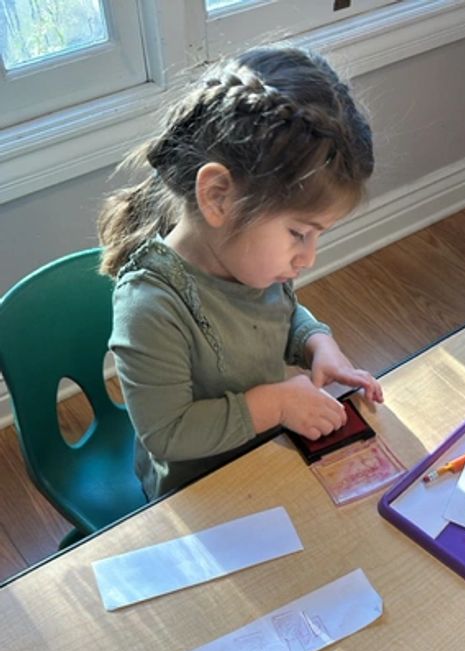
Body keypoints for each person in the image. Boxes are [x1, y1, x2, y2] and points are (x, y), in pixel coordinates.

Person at [98, 44, 383, 501]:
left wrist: (317, 343)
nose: (308, 258)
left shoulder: (250, 261)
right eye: (298, 233)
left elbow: (279, 313)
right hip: (199, 489)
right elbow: (167, 435)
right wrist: (277, 403)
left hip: (260, 449)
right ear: (218, 197)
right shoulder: (151, 305)